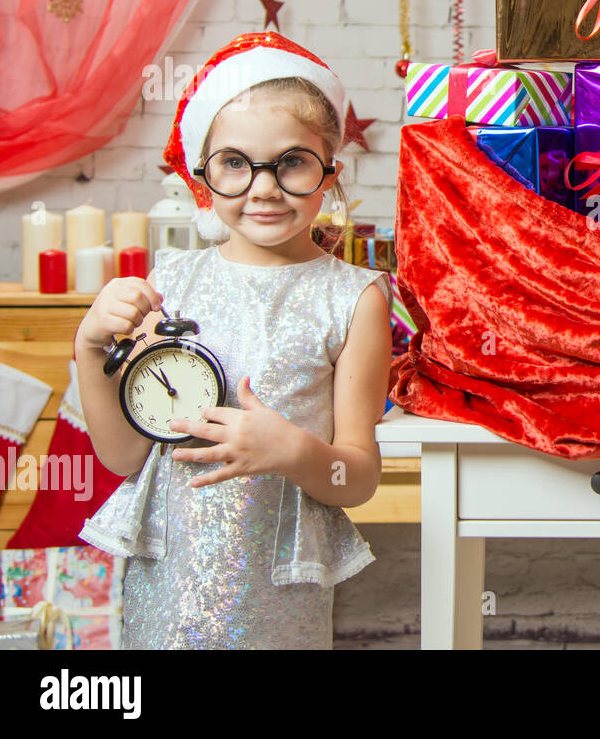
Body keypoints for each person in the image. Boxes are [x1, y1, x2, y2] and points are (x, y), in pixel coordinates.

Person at [75, 32, 392, 649]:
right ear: (204, 176)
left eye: (292, 162)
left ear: (331, 172)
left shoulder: (354, 298)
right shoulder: (168, 284)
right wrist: (90, 352)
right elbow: (125, 459)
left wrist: (292, 450)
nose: (265, 188)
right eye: (236, 164)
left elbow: (357, 478)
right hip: (166, 585)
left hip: (279, 595)